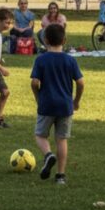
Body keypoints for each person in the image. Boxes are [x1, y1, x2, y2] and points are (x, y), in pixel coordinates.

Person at [30, 24, 84, 185]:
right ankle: (60, 176)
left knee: (40, 135)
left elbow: (34, 83)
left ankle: (48, 155)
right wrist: (76, 101)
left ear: (45, 40)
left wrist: (37, 97)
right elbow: (81, 83)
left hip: (46, 104)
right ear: (65, 40)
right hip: (65, 106)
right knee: (61, 139)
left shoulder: (41, 59)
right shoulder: (70, 60)